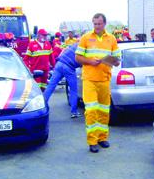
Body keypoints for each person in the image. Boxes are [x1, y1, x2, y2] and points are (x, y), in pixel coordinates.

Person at [75, 13, 120, 153]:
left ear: (104, 24)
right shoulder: (86, 37)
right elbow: (77, 57)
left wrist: (111, 60)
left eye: (99, 24)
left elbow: (117, 61)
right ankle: (92, 141)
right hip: (89, 80)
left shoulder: (111, 39)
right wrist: (90, 61)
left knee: (104, 111)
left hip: (104, 80)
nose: (97, 26)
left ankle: (102, 138)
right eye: (95, 24)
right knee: (91, 111)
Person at [44, 43, 82, 118]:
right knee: (73, 90)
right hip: (69, 67)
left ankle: (42, 107)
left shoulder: (76, 44)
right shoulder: (86, 48)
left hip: (59, 63)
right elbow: (83, 62)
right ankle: (74, 112)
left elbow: (64, 50)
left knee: (50, 87)